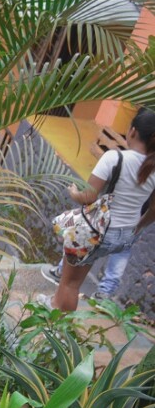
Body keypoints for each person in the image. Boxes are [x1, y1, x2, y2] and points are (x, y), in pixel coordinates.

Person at [43, 108, 155, 312]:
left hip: (99, 232)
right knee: (74, 279)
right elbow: (153, 210)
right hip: (124, 235)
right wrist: (136, 228)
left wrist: (74, 191)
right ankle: (57, 306)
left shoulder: (115, 158)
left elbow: (89, 197)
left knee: (70, 283)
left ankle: (56, 320)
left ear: (132, 132)